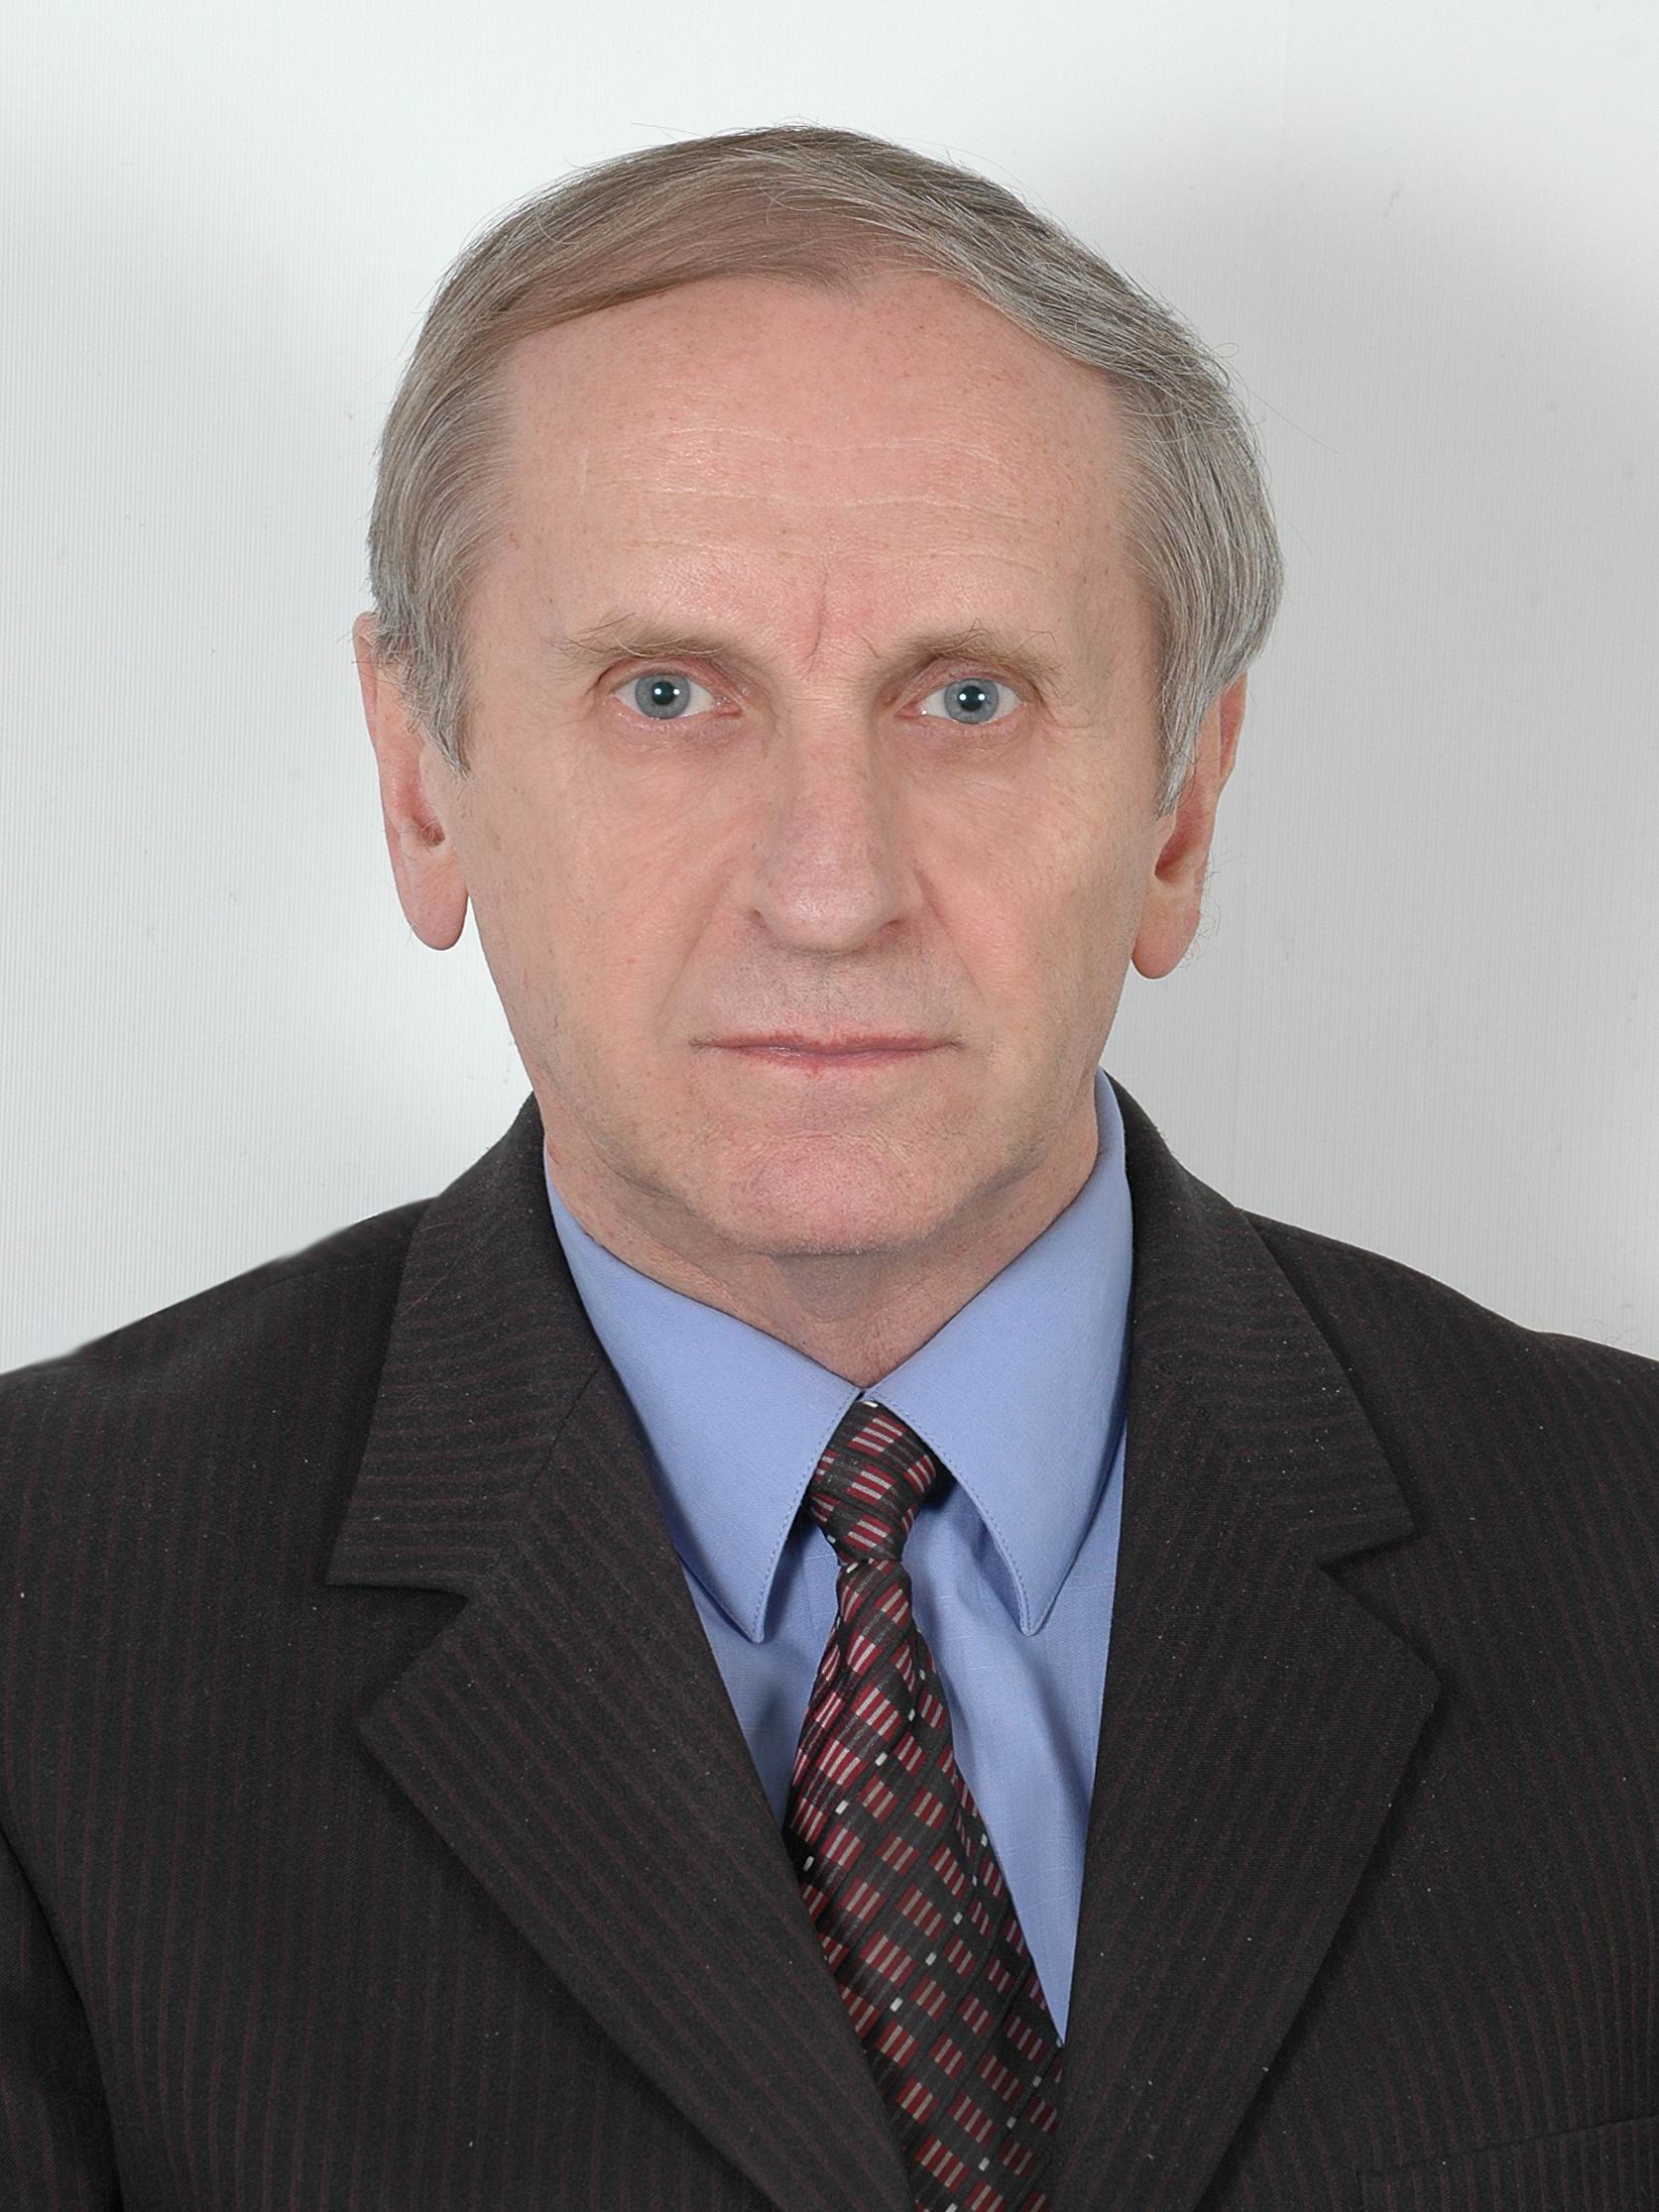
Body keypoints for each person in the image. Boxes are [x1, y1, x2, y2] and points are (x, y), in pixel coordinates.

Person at [1, 121, 1654, 2212]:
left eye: (966, 697)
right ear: (423, 779)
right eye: (666, 693)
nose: (829, 887)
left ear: (1177, 808)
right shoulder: (43, 1627)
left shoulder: (1624, 1557)